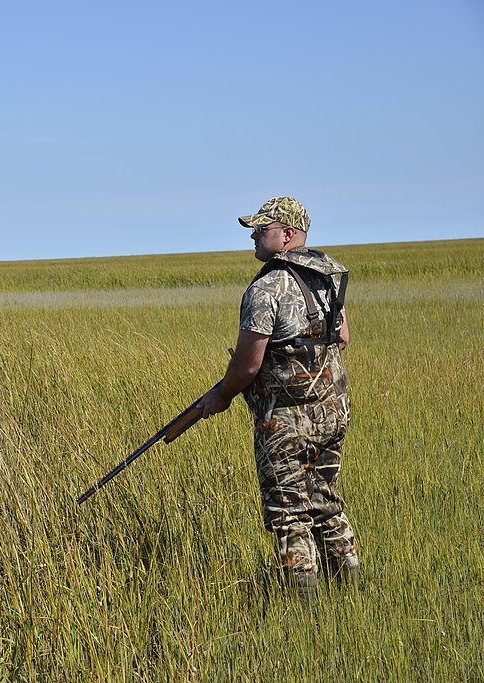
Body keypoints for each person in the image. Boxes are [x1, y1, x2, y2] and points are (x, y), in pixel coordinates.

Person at [198, 196, 359, 608]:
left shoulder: (265, 287)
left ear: (287, 235)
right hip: (333, 410)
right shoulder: (329, 274)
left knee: (288, 511)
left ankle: (305, 616)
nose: (253, 235)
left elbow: (248, 364)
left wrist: (221, 395)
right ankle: (355, 594)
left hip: (284, 420)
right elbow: (341, 338)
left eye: (261, 229)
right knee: (325, 498)